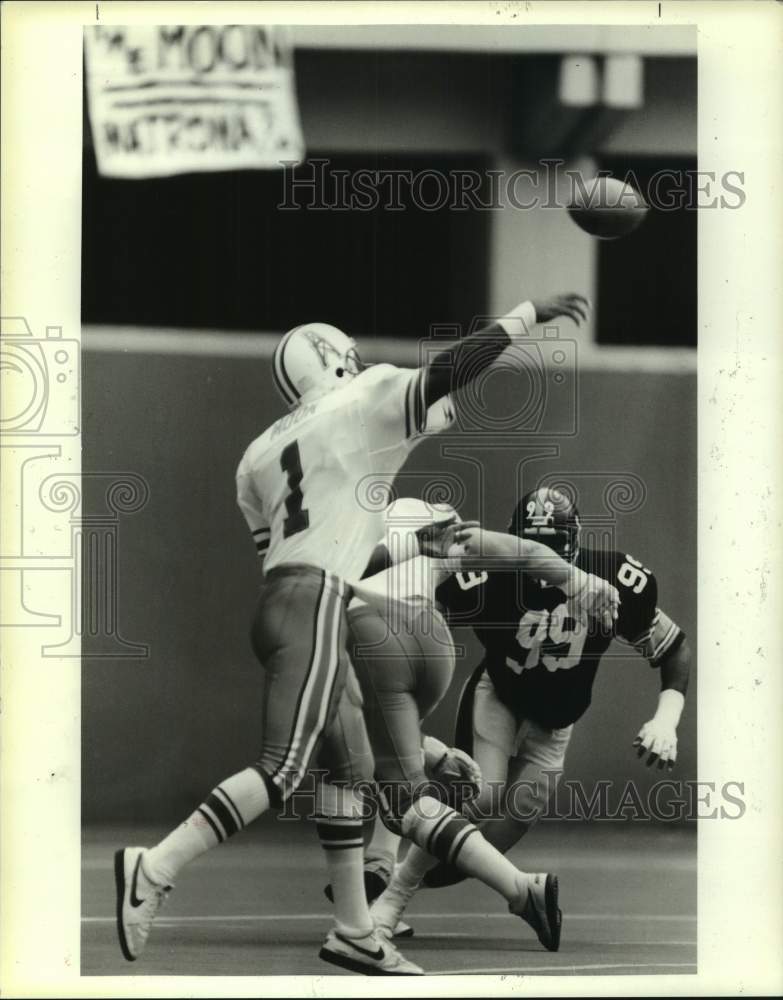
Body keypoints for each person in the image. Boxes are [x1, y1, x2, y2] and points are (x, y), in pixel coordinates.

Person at [114, 294, 591, 975]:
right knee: (282, 769)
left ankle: (353, 930)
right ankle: (153, 866)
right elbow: (451, 370)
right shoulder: (364, 396)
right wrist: (527, 314)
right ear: (340, 357)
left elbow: (313, 555)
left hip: (291, 604)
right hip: (319, 606)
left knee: (347, 774)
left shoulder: (256, 455)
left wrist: (405, 548)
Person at [368, 485, 691, 936]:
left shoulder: (614, 578)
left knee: (505, 822)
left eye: (552, 550)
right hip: (500, 694)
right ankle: (389, 894)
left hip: (556, 720)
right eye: (531, 547)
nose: (542, 565)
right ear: (515, 542)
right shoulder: (490, 574)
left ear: (575, 546)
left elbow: (673, 648)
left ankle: (397, 876)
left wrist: (666, 718)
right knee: (481, 796)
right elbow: (420, 617)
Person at [334, 496, 620, 952]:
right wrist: (580, 580)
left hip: (379, 643)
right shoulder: (440, 527)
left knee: (369, 775)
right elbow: (524, 553)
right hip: (433, 649)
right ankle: (377, 887)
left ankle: (385, 887)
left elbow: (329, 586)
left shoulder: (341, 544)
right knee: (420, 784)